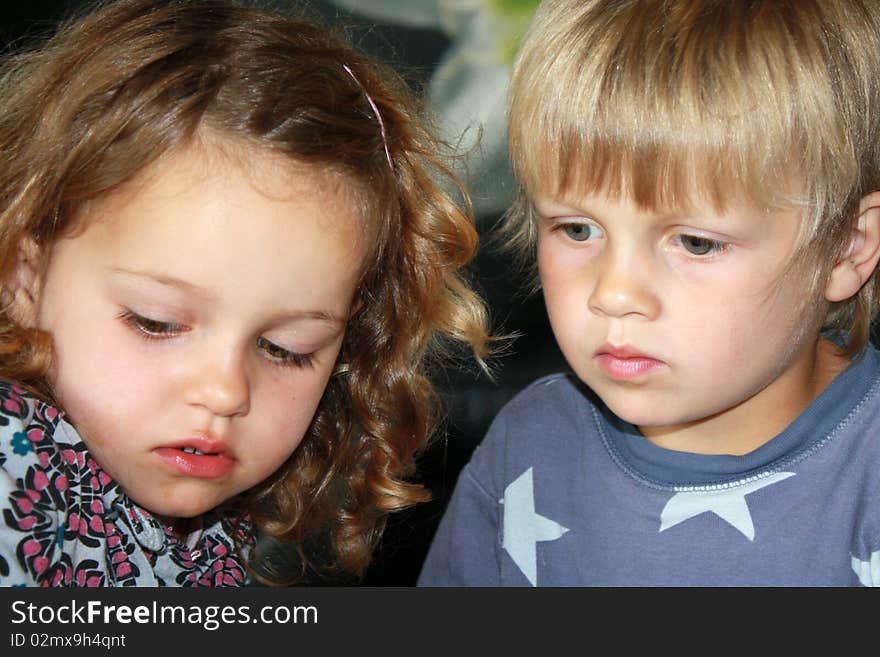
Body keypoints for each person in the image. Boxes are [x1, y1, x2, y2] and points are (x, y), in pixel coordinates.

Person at [0, 0, 489, 587]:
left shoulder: (212, 520)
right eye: (156, 322)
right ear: (22, 277)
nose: (225, 392)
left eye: (287, 348)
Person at [418, 0, 880, 586]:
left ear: (846, 247)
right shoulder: (527, 449)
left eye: (694, 243)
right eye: (578, 229)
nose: (612, 294)